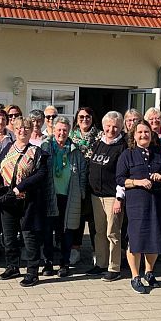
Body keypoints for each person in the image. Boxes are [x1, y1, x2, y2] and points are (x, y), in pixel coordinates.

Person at [115, 120, 161, 294]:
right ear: (134, 135)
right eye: (140, 132)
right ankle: (135, 276)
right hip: (136, 204)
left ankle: (149, 272)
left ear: (151, 134)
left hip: (157, 202)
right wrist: (137, 182)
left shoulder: (160, 153)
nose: (143, 135)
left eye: (146, 132)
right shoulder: (127, 154)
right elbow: (119, 179)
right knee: (136, 240)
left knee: (154, 239)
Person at [0, 116, 48, 287]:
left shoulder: (37, 152)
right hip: (7, 200)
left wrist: (21, 187)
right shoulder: (8, 148)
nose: (22, 131)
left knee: (29, 236)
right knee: (9, 237)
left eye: (26, 128)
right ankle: (12, 266)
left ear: (31, 131)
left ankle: (32, 272)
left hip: (27, 201)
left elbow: (41, 174)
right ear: (14, 130)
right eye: (19, 128)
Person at [41, 116, 87, 278]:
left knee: (66, 232)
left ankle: (64, 263)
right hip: (49, 196)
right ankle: (47, 263)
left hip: (69, 196)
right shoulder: (46, 147)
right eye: (59, 129)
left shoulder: (75, 150)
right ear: (53, 130)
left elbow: (82, 173)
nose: (61, 133)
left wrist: (81, 192)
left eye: (65, 130)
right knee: (47, 232)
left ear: (69, 132)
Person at [88, 112, 128, 281]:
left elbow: (123, 174)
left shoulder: (122, 147)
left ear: (120, 128)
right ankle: (101, 264)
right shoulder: (98, 143)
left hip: (113, 196)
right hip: (96, 195)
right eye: (108, 126)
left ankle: (114, 267)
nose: (111, 129)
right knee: (100, 232)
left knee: (113, 232)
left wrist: (120, 198)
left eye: (116, 127)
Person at [69, 106, 98, 268]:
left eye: (87, 116)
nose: (84, 119)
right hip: (75, 182)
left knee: (94, 221)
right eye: (81, 117)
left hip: (93, 183)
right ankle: (75, 250)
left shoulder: (99, 136)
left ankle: (96, 251)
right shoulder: (71, 136)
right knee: (77, 218)